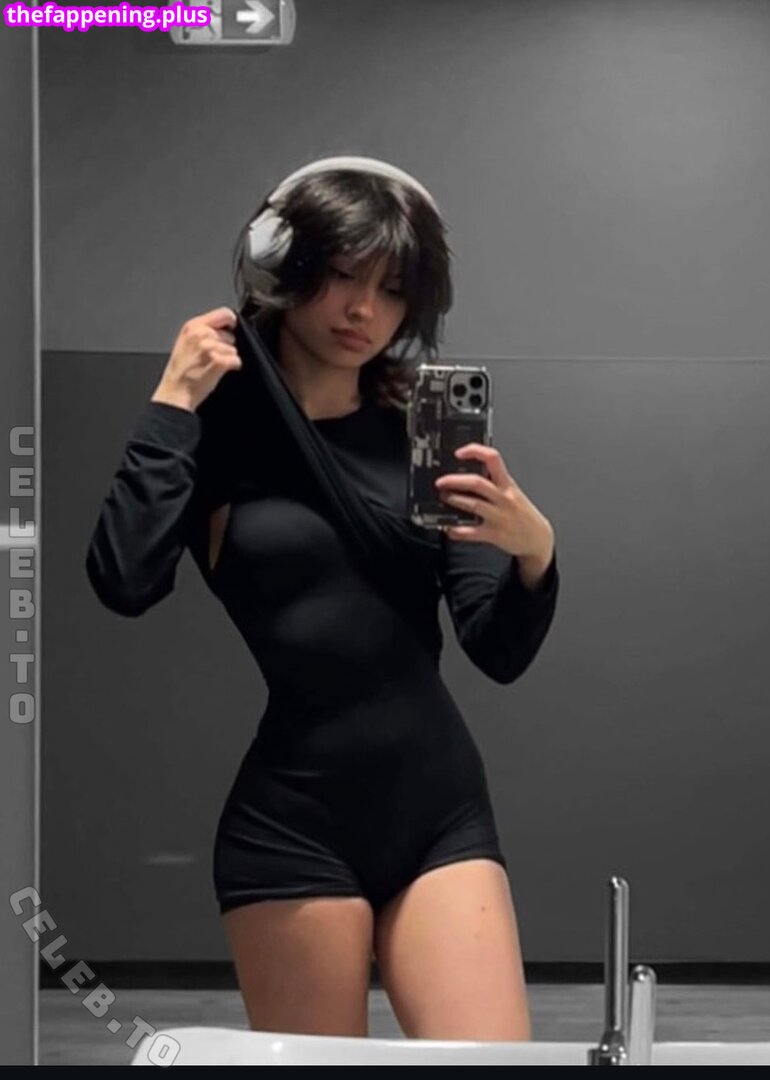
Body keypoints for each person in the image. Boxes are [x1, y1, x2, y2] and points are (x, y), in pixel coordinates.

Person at [85, 156, 560, 1042]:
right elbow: (123, 578)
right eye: (344, 275)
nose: (363, 310)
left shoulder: (425, 432)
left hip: (440, 813)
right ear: (281, 261)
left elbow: (496, 649)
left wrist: (536, 553)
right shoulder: (217, 433)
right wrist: (172, 402)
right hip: (291, 824)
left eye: (392, 290)